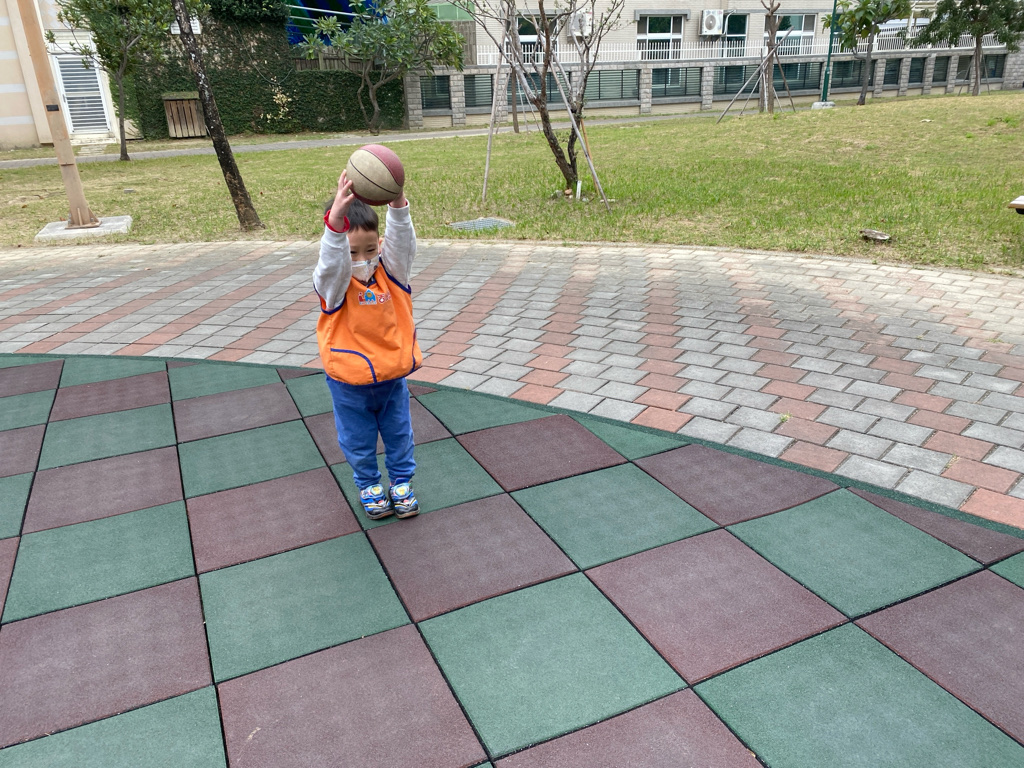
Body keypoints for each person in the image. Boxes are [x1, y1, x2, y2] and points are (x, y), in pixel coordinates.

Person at [314, 169, 421, 520]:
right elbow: (331, 263)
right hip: (349, 383)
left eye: (371, 249)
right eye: (353, 252)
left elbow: (402, 244)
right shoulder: (336, 286)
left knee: (399, 433)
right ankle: (368, 484)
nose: (362, 260)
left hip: (391, 377)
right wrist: (336, 223)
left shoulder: (392, 275)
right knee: (357, 439)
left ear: (380, 245)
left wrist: (398, 204)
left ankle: (402, 482)